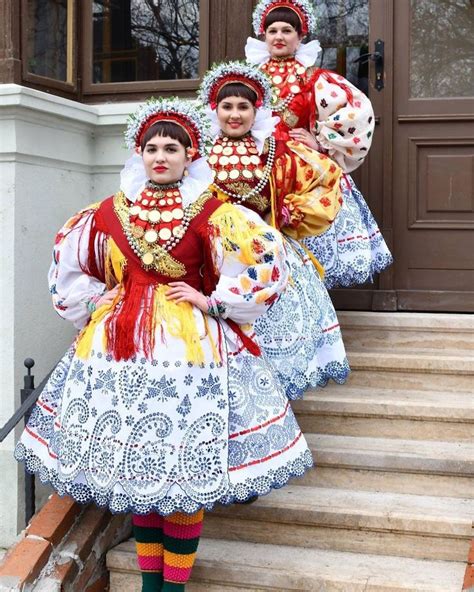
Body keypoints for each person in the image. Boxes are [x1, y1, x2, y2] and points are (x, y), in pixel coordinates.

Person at [14, 98, 313, 591]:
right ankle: (153, 584)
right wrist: (98, 298)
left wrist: (212, 300)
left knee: (181, 477)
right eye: (151, 147)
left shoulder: (216, 212)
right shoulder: (109, 212)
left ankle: (168, 587)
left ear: (190, 155)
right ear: (139, 153)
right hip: (119, 350)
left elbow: (265, 262)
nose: (160, 156)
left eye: (171, 148)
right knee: (143, 480)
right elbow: (68, 265)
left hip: (188, 352)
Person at [198, 61, 350, 400]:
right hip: (207, 259)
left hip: (267, 257)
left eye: (243, 107)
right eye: (227, 106)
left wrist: (290, 210)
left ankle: (272, 403)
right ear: (215, 109)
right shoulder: (196, 155)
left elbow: (325, 180)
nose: (234, 114)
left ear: (257, 111)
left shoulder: (276, 152)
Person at [245, 0, 393, 288]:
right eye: (272, 30)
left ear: (301, 37)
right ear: (263, 35)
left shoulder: (315, 78)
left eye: (287, 30)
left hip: (303, 169)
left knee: (308, 239)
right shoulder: (249, 79)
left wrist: (320, 140)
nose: (278, 36)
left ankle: (312, 306)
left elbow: (357, 113)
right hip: (256, 164)